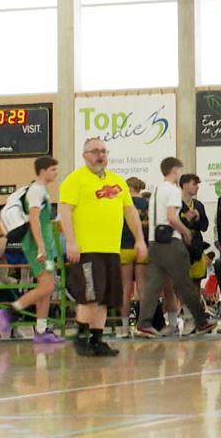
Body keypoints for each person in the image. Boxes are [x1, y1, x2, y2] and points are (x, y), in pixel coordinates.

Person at [60, 138, 148, 357]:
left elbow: (130, 212)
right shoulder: (75, 180)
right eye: (94, 151)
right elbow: (65, 211)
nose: (100, 155)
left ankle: (97, 340)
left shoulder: (117, 181)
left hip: (111, 250)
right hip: (87, 249)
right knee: (90, 295)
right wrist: (71, 241)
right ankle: (81, 336)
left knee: (106, 297)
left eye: (103, 151)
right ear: (85, 155)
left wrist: (139, 239)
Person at [133, 158, 217, 339]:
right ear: (174, 171)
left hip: (154, 242)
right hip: (170, 242)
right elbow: (171, 217)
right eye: (180, 170)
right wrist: (186, 232)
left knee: (153, 284)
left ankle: (144, 324)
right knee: (185, 283)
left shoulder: (156, 190)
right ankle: (201, 322)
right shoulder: (172, 190)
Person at [0, 157, 65, 343]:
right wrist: (41, 247)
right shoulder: (36, 191)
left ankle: (41, 330)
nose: (55, 173)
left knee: (46, 288)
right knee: (47, 285)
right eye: (53, 169)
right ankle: (8, 313)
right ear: (42, 171)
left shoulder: (41, 191)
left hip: (43, 244)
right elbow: (33, 219)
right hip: (36, 245)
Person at [116, 177, 148, 338]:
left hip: (124, 246)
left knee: (125, 288)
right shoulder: (146, 205)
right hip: (141, 247)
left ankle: (124, 327)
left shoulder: (121, 204)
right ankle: (143, 325)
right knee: (142, 288)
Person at [179, 173, 210, 282]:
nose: (197, 187)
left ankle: (195, 300)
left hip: (196, 245)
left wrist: (198, 218)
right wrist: (185, 219)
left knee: (197, 280)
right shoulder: (174, 204)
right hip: (180, 247)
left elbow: (205, 227)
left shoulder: (198, 205)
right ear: (185, 185)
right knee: (180, 282)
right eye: (194, 184)